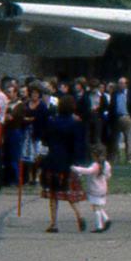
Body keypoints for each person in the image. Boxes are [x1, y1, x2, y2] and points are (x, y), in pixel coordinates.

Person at [40, 95, 88, 233]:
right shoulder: (75, 123)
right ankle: (79, 215)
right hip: (68, 161)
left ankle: (54, 223)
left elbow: (45, 139)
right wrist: (78, 161)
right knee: (69, 192)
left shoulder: (52, 122)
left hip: (53, 159)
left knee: (53, 193)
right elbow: (79, 145)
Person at [70, 143, 114, 233]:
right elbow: (108, 175)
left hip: (95, 189)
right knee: (99, 206)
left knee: (95, 207)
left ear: (94, 155)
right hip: (103, 188)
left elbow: (88, 171)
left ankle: (99, 226)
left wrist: (75, 168)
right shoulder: (106, 164)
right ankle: (106, 219)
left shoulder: (95, 165)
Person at [110, 76, 131, 162]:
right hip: (117, 118)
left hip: (127, 117)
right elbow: (111, 107)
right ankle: (117, 157)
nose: (120, 85)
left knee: (128, 138)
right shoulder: (115, 94)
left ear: (126, 84)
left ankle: (129, 157)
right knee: (115, 139)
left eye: (122, 83)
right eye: (119, 83)